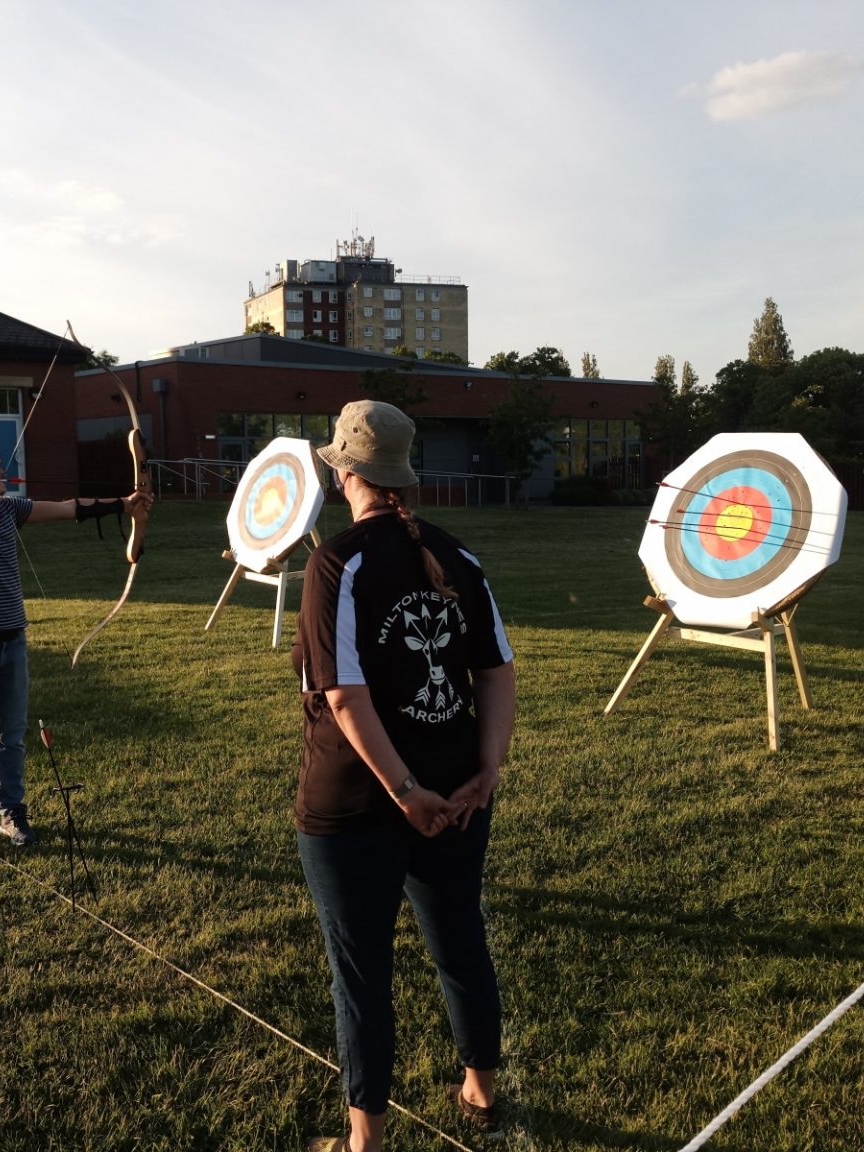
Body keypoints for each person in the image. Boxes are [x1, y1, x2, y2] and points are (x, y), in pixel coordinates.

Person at [293, 401, 516, 1152]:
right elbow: (497, 676)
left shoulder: (338, 561)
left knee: (362, 972)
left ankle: (366, 1141)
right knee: (459, 937)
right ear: (402, 475)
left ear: (346, 474)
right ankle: (480, 1092)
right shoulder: (460, 555)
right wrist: (484, 772)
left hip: (360, 804)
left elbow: (343, 696)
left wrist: (403, 792)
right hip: (453, 796)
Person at [0, 430, 149, 853]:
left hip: (11, 643)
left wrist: (123, 505)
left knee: (11, 735)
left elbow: (68, 508)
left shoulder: (8, 509)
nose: (4, 471)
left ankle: (12, 813)